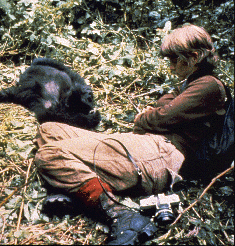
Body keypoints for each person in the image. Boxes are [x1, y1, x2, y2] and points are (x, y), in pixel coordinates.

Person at [34, 24, 227, 245]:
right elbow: (164, 104)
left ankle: (122, 215)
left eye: (174, 60)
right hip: (151, 143)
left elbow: (162, 116)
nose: (171, 68)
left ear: (193, 57)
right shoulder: (190, 84)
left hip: (166, 153)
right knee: (49, 129)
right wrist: (162, 110)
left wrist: (144, 118)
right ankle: (76, 189)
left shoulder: (209, 85)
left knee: (49, 155)